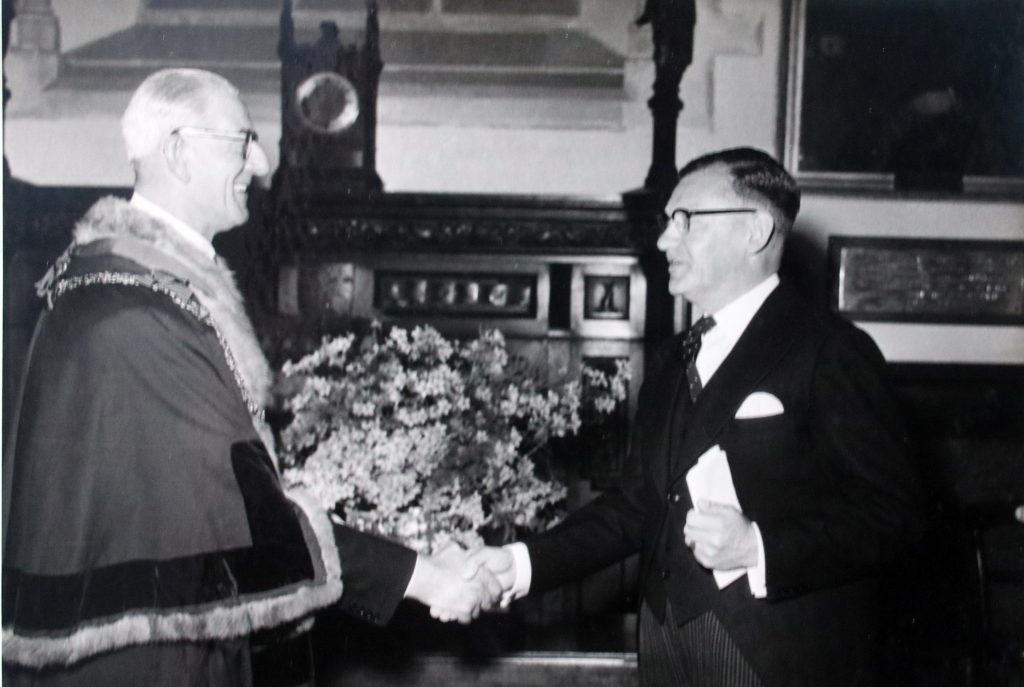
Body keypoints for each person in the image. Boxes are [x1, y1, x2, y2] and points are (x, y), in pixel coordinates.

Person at [1, 68, 500, 687]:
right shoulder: (134, 315)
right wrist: (426, 578)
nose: (261, 163)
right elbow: (242, 513)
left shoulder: (135, 291)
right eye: (242, 141)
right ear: (180, 150)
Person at [472, 148, 924, 686]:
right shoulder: (671, 359)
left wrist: (759, 547)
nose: (665, 240)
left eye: (686, 220)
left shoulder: (829, 350)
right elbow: (633, 506)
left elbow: (897, 513)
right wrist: (522, 564)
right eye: (666, 222)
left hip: (777, 656)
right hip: (665, 646)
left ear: (755, 230)